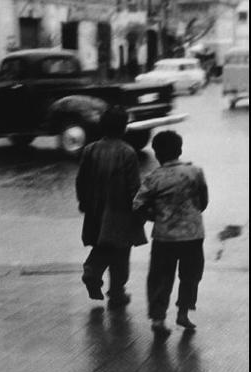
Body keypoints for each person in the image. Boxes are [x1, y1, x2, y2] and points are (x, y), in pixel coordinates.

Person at [133, 131, 208, 338]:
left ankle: (158, 318)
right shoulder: (195, 172)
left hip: (164, 238)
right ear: (180, 149)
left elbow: (138, 205)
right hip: (192, 235)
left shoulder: (154, 177)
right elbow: (203, 201)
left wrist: (155, 216)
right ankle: (183, 313)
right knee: (190, 275)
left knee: (160, 278)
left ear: (157, 154)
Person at [76, 106, 147, 308]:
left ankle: (92, 271)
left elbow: (81, 180)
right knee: (121, 253)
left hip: (95, 209)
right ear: (124, 128)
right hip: (120, 211)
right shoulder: (127, 152)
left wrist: (83, 202)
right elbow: (134, 186)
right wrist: (140, 211)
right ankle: (116, 292)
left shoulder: (91, 150)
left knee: (101, 245)